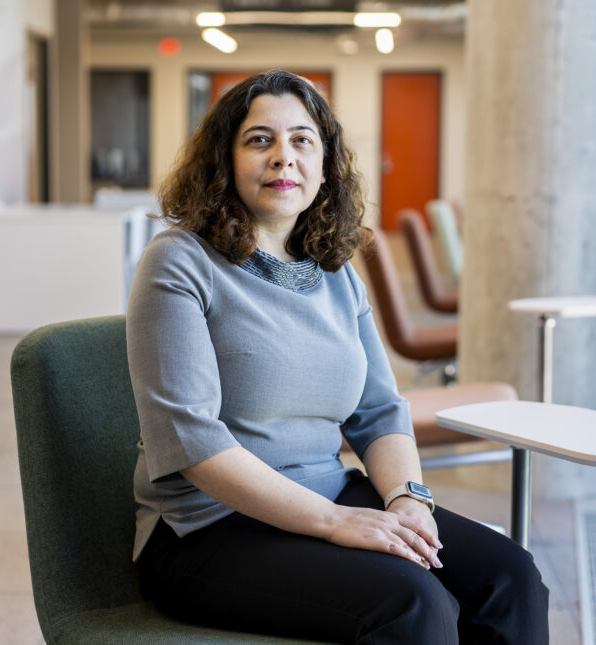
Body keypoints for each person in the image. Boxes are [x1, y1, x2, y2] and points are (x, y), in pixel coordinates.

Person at [126, 70, 549, 644]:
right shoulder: (179, 261)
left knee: (511, 578)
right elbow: (194, 442)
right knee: (414, 605)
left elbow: (379, 410)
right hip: (207, 527)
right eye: (259, 140)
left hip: (329, 491)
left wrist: (407, 500)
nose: (283, 157)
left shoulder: (334, 271)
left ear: (324, 165)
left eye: (302, 140)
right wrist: (336, 521)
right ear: (223, 162)